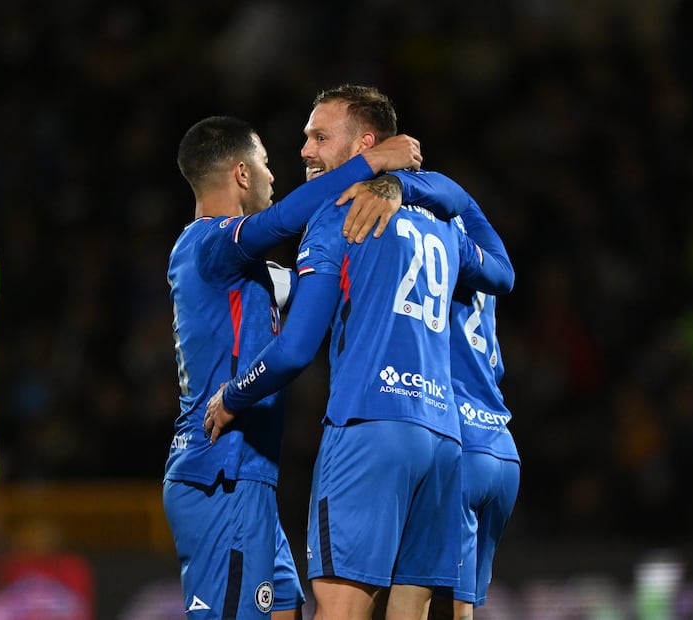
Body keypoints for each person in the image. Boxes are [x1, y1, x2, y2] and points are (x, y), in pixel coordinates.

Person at [204, 85, 514, 620]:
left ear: (366, 143)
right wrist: (413, 184)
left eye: (320, 138)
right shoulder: (439, 223)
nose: (305, 151)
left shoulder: (337, 217)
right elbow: (502, 272)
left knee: (340, 610)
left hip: (368, 427)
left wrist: (234, 395)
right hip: (441, 439)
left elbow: (295, 350)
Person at [163, 115, 426, 619]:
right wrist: (372, 161)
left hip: (250, 482)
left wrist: (390, 196)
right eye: (264, 164)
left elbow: (314, 295)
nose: (274, 176)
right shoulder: (208, 243)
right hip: (218, 475)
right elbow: (285, 219)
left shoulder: (248, 273)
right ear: (242, 174)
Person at [429, 200, 520, 620]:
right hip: (502, 446)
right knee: (459, 609)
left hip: (458, 443)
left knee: (420, 605)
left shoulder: (432, 254)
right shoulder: (485, 260)